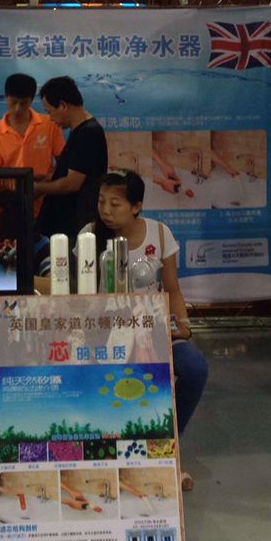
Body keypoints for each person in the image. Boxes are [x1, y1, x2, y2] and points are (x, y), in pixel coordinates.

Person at [86, 169, 208, 482]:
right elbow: (77, 294)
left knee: (194, 368)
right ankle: (112, 454)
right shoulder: (89, 236)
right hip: (104, 331)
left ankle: (167, 444)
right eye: (101, 202)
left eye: (115, 204)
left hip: (152, 330)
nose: (106, 210)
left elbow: (172, 289)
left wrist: (183, 325)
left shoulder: (160, 234)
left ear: (136, 206)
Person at [34, 76, 108, 253]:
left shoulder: (88, 133)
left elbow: (72, 183)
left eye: (50, 112)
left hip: (76, 227)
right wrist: (47, 178)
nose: (50, 119)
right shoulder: (80, 131)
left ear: (63, 105)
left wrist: (38, 188)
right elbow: (72, 172)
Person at [0, 73, 66, 217]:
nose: (17, 108)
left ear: (32, 100)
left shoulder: (50, 124)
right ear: (6, 98)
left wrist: (46, 180)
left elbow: (64, 164)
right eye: (13, 102)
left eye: (23, 103)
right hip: (10, 205)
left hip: (46, 203)